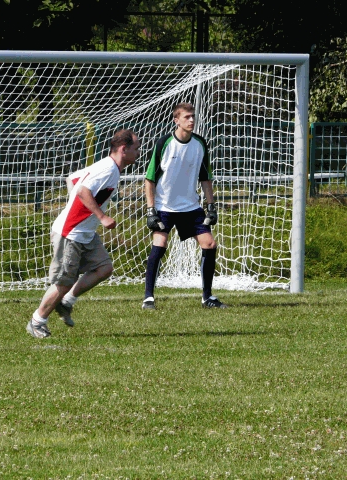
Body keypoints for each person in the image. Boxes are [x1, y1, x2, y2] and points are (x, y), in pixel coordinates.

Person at [27, 129, 141, 338]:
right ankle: (37, 321)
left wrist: (78, 208)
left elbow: (73, 179)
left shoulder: (110, 167)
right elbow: (82, 190)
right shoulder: (108, 169)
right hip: (71, 232)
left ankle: (66, 302)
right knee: (63, 282)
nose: (139, 153)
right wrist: (101, 216)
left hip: (85, 233)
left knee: (104, 268)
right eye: (136, 149)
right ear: (124, 149)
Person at [142, 102, 227, 310]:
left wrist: (211, 206)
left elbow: (205, 177)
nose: (191, 120)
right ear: (176, 120)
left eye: (193, 116)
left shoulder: (200, 144)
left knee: (209, 244)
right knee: (160, 245)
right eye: (186, 117)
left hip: (191, 207)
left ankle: (207, 297)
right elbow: (150, 179)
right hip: (165, 206)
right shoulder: (164, 143)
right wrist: (150, 210)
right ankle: (148, 298)